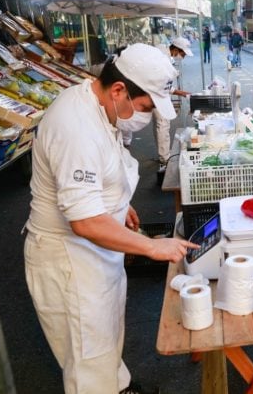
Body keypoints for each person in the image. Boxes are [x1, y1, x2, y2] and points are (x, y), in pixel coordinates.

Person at [24, 43, 198, 394]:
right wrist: (151, 247)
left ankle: (119, 387)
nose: (145, 115)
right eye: (145, 107)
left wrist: (119, 204)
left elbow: (99, 178)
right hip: (71, 258)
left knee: (105, 336)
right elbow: (85, 221)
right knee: (88, 356)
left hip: (97, 251)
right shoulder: (75, 127)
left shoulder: (101, 107)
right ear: (119, 89)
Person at [153, 37, 193, 173]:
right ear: (176, 49)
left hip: (160, 93)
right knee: (163, 125)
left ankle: (163, 155)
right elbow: (161, 83)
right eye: (182, 54)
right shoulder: (162, 58)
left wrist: (180, 92)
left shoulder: (165, 55)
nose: (183, 57)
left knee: (160, 125)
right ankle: (164, 158)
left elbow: (166, 84)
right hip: (157, 94)